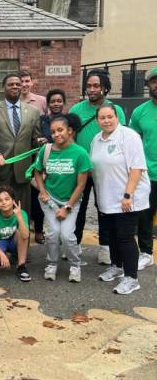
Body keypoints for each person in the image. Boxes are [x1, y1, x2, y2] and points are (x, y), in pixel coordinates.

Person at [91, 104, 150, 295]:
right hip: (107, 197)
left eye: (110, 117)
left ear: (117, 117)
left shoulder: (129, 136)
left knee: (125, 236)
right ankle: (116, 266)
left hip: (127, 197)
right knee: (112, 234)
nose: (107, 121)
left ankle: (132, 278)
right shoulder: (96, 139)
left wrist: (128, 195)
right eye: (102, 118)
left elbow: (137, 168)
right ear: (97, 120)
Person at [69, 69, 126, 265]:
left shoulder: (114, 110)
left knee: (104, 209)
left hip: (106, 171)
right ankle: (74, 245)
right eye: (89, 86)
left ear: (104, 88)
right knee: (78, 207)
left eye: (96, 86)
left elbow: (121, 137)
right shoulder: (77, 109)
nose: (92, 89)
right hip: (82, 170)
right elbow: (71, 138)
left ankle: (105, 248)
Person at [33, 115, 91, 282]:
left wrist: (67, 208)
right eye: (53, 132)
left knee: (66, 235)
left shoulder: (80, 153)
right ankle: (51, 264)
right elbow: (37, 171)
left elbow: (81, 185)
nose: (56, 134)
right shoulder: (46, 150)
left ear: (70, 131)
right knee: (53, 233)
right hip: (49, 198)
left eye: (60, 130)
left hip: (70, 201)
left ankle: (75, 265)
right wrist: (43, 192)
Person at [0, 73, 42, 214]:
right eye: (11, 84)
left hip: (23, 171)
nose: (15, 86)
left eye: (17, 84)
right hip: (0, 170)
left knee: (22, 210)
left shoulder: (34, 112)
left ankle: (22, 235)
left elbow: (35, 139)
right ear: (3, 87)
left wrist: (41, 142)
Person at [129, 66, 157, 271]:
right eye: (154, 81)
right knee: (145, 216)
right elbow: (132, 141)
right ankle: (146, 253)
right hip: (149, 173)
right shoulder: (140, 112)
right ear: (148, 85)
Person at [32, 88, 67, 244]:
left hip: (64, 164)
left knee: (62, 198)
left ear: (64, 103)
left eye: (59, 101)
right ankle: (39, 231)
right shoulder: (42, 120)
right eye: (53, 101)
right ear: (48, 104)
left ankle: (62, 231)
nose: (56, 104)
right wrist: (40, 141)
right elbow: (36, 138)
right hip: (45, 163)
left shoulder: (69, 120)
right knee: (40, 197)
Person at [0, 186, 31, 282]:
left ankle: (21, 265)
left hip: (14, 241)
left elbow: (26, 236)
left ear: (13, 201)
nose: (4, 202)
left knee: (21, 232)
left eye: (7, 199)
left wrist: (19, 218)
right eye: (0, 200)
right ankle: (3, 256)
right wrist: (1, 255)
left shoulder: (21, 213)